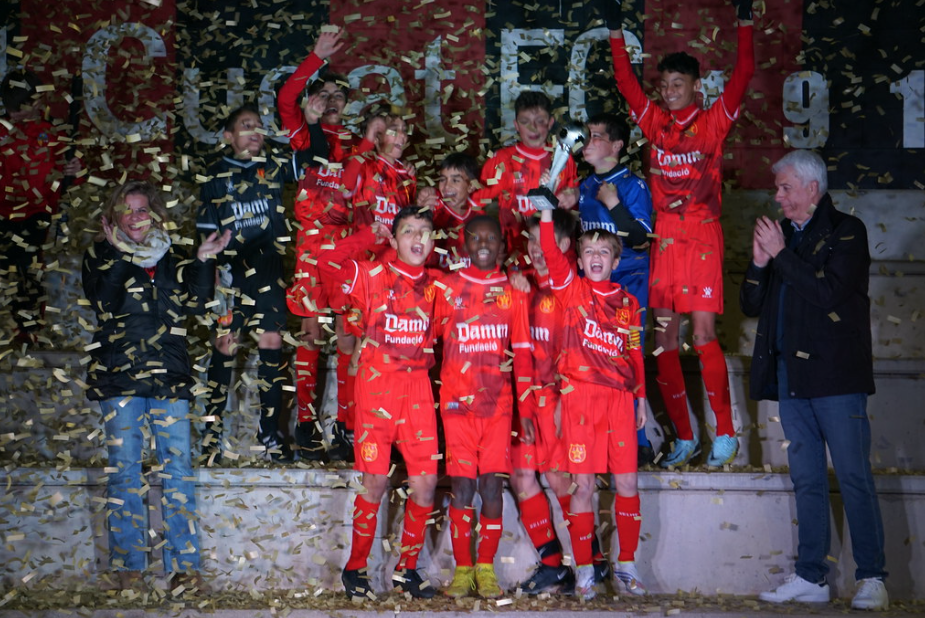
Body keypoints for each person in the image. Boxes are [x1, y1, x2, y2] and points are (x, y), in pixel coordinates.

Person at [603, 0, 755, 467]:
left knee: (704, 334)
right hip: (665, 241)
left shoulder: (712, 122)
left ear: (695, 86)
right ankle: (686, 438)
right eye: (665, 85)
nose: (669, 92)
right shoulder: (654, 125)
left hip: (703, 237)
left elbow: (745, 72)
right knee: (664, 339)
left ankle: (725, 434)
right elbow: (626, 84)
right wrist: (615, 32)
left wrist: (745, 21)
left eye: (677, 84)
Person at [742, 151, 888, 611]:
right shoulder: (780, 238)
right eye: (777, 188)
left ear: (812, 188)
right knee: (805, 479)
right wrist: (760, 262)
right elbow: (750, 305)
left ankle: (873, 577)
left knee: (852, 476)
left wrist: (781, 255)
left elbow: (826, 291)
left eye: (785, 188)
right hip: (792, 375)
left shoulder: (848, 231)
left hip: (837, 375)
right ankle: (811, 577)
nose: (778, 197)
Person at [83, 181, 230, 592]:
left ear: (155, 214)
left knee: (178, 472)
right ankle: (129, 567)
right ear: (113, 217)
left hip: (169, 376)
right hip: (120, 378)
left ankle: (184, 567)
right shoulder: (99, 254)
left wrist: (202, 260)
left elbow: (199, 305)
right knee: (125, 474)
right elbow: (103, 303)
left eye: (141, 209)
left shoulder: (175, 255)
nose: (134, 216)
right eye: (126, 210)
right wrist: (116, 254)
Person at [321, 206, 440, 600]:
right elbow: (325, 260)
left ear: (434, 241)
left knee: (425, 487)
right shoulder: (372, 275)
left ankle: (407, 571)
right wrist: (365, 238)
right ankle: (355, 569)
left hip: (419, 391)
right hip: (376, 390)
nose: (417, 239)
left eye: (424, 231)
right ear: (394, 238)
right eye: (408, 231)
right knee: (375, 482)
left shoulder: (440, 285)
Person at [196, 104, 324, 464]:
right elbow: (205, 236)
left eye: (258, 126)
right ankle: (211, 433)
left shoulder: (273, 167)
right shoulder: (215, 176)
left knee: (271, 343)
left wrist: (311, 123)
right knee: (225, 346)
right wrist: (212, 275)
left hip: (268, 270)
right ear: (228, 136)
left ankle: (269, 432)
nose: (254, 131)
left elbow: (313, 160)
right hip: (231, 275)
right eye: (245, 125)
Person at [537, 204, 647, 600]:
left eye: (604, 252)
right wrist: (547, 215)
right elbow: (550, 251)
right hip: (580, 399)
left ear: (616, 261)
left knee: (628, 482)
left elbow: (635, 354)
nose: (596, 258)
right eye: (589, 252)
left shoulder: (630, 305)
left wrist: (641, 399)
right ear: (579, 260)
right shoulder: (571, 290)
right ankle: (584, 569)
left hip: (619, 400)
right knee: (582, 486)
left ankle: (628, 566)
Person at [279, 26, 377, 461]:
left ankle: (347, 426)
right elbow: (285, 100)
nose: (333, 101)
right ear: (313, 100)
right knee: (309, 333)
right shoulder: (303, 135)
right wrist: (315, 57)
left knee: (349, 338)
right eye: (325, 94)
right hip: (310, 251)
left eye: (339, 96)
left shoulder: (360, 145)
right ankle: (304, 423)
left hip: (350, 252)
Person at [434, 215, 532, 599]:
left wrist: (524, 406)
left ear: (504, 246)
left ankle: (486, 569)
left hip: (498, 406)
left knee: (492, 485)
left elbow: (521, 352)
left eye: (493, 238)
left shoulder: (513, 290)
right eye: (477, 238)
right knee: (461, 487)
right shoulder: (448, 288)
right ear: (464, 245)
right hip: (457, 405)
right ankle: (462, 570)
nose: (485, 244)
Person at [577, 112, 655, 465]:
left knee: (629, 354)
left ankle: (637, 440)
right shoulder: (584, 185)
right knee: (595, 356)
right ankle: (597, 437)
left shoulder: (632, 185)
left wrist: (614, 205)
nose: (588, 142)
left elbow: (641, 239)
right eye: (587, 136)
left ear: (617, 145)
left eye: (596, 136)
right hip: (594, 289)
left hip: (630, 285)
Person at [509, 210, 580, 595]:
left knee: (558, 478)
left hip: (556, 398)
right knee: (521, 476)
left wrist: (561, 402)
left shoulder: (572, 289)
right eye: (531, 240)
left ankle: (592, 562)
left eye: (545, 241)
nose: (536, 249)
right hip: (523, 396)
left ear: (565, 246)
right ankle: (552, 566)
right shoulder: (522, 283)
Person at [1, 69, 82, 345]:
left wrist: (75, 169)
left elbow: (69, 171)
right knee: (7, 269)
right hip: (2, 214)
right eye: (13, 110)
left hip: (37, 213)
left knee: (29, 269)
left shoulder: (50, 132)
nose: (18, 115)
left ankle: (28, 330)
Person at [479, 90, 578, 261]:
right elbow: (478, 205)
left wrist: (574, 194)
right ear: (516, 125)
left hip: (556, 257)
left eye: (540, 121)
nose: (533, 128)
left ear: (550, 123)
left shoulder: (563, 158)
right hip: (515, 255)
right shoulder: (500, 160)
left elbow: (574, 199)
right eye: (525, 122)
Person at [417, 152, 484, 272]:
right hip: (435, 284)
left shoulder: (480, 220)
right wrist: (421, 215)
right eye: (443, 180)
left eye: (455, 180)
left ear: (471, 186)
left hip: (465, 286)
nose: (447, 185)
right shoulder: (433, 207)